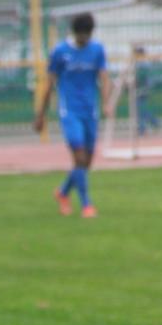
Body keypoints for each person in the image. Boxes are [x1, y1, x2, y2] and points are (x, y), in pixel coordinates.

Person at [34, 12, 110, 218]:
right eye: (81, 35)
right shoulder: (60, 52)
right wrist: (41, 115)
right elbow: (49, 84)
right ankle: (87, 205)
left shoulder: (97, 50)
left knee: (85, 163)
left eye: (87, 35)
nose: (84, 39)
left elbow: (104, 77)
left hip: (90, 111)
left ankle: (63, 192)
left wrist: (106, 103)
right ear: (74, 33)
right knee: (79, 156)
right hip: (69, 112)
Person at [133, 46, 159, 135]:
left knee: (139, 108)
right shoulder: (141, 63)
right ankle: (153, 122)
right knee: (140, 108)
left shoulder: (142, 63)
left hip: (143, 88)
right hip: (142, 88)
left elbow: (141, 77)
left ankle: (143, 128)